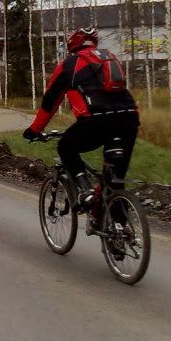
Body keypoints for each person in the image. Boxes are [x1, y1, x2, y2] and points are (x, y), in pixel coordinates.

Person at [23, 27, 139, 217]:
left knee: (65, 146)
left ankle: (85, 190)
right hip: (129, 117)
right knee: (114, 181)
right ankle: (118, 228)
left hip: (96, 120)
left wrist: (34, 130)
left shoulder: (69, 64)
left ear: (72, 45)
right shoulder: (109, 57)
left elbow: (50, 102)